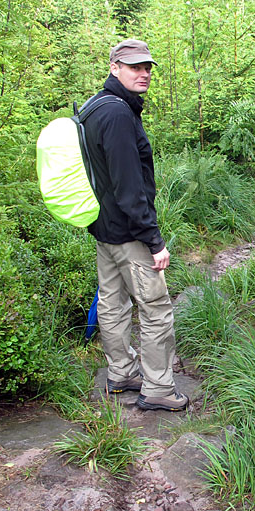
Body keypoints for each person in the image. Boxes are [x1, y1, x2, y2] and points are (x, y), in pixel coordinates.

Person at [83, 39, 188, 412]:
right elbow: (129, 187)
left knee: (112, 303)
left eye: (147, 67)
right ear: (115, 67)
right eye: (134, 67)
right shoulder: (117, 115)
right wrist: (154, 240)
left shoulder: (94, 107)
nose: (143, 73)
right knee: (155, 308)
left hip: (103, 228)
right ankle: (158, 388)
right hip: (128, 233)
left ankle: (121, 373)